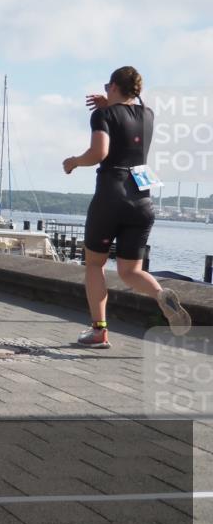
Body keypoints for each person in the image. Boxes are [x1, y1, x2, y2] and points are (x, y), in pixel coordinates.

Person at [63, 65, 191, 348]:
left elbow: (100, 153)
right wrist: (111, 102)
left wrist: (73, 161)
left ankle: (99, 331)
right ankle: (160, 296)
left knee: (95, 265)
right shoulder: (148, 115)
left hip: (111, 194)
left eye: (107, 86)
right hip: (142, 198)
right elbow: (128, 116)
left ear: (113, 86)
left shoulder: (103, 114)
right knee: (130, 271)